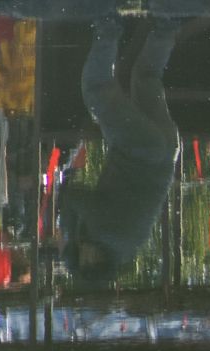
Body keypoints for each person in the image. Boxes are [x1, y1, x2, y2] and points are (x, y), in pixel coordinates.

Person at [61, 16, 195, 279]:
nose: (82, 252)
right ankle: (108, 26)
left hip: (167, 150)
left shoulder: (126, 247)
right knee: (96, 89)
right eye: (82, 257)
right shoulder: (104, 233)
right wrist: (68, 235)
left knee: (145, 77)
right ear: (91, 262)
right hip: (137, 148)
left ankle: (167, 25)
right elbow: (73, 196)